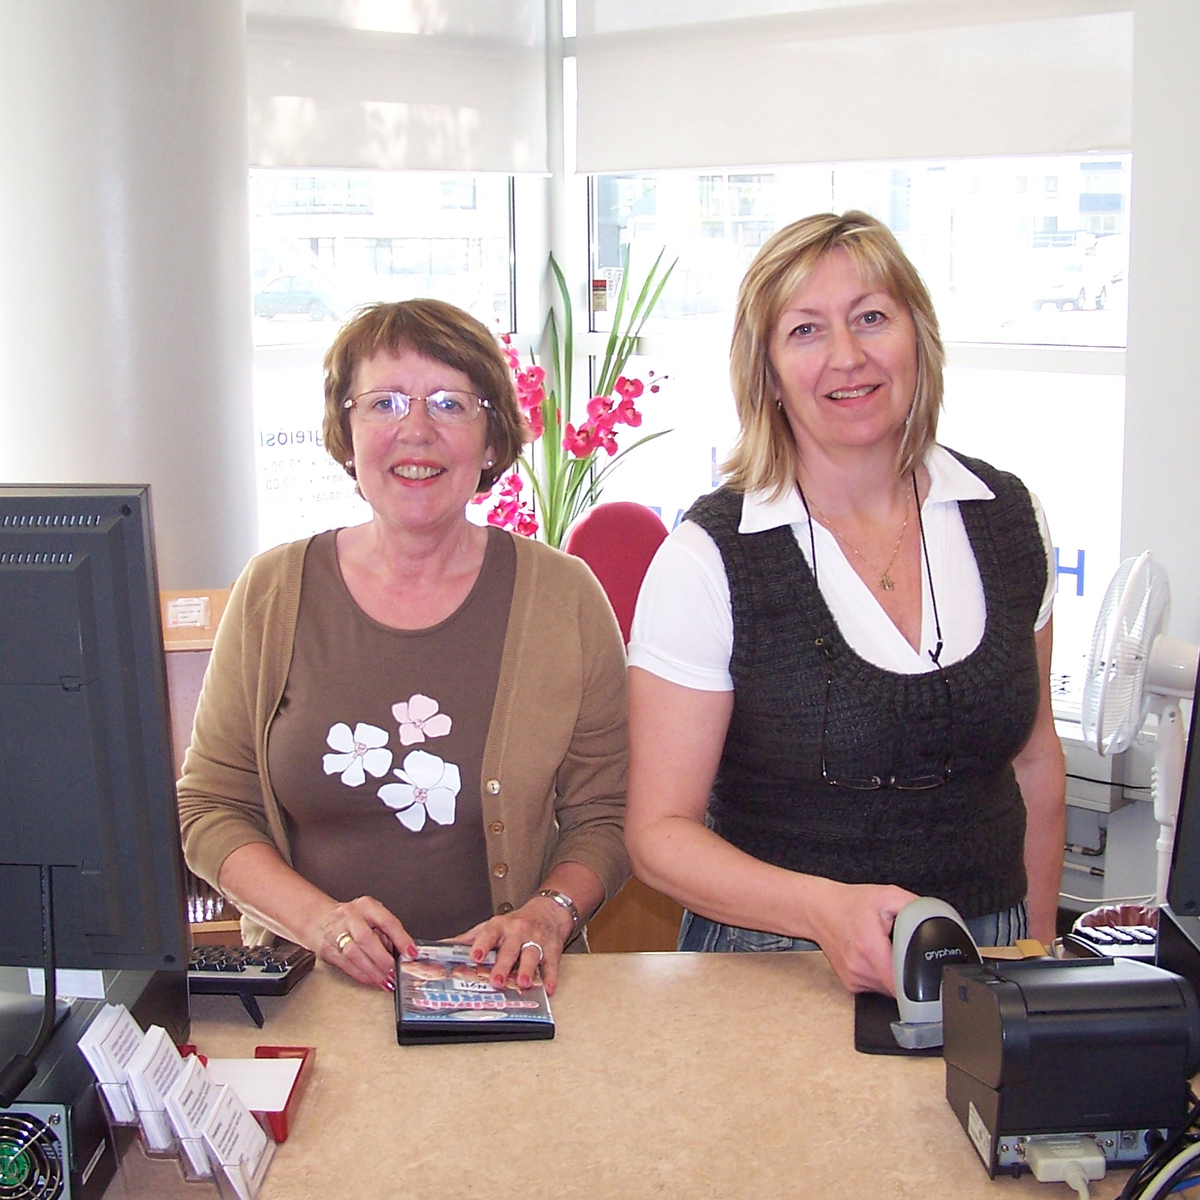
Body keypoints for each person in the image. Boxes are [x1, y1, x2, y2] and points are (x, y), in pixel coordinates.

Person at [625, 211, 1065, 997]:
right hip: (775, 973)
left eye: (871, 318)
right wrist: (822, 909)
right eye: (805, 330)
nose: (848, 356)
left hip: (987, 962)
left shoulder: (1008, 519)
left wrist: (1037, 962)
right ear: (766, 372)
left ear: (916, 337)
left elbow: (1034, 760)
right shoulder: (708, 558)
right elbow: (658, 835)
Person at [178, 298, 629, 997]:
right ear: (346, 435)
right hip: (313, 993)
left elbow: (608, 812)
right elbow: (210, 806)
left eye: (450, 403)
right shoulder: (271, 591)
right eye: (384, 403)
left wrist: (549, 911)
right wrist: (319, 922)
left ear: (491, 440)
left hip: (506, 995)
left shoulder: (566, 597)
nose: (416, 430)